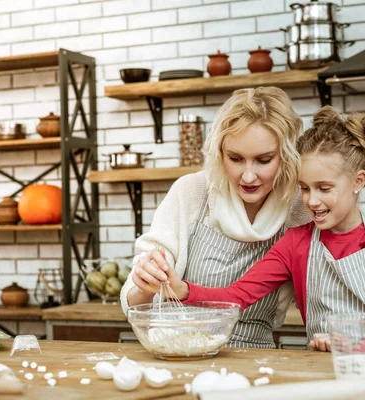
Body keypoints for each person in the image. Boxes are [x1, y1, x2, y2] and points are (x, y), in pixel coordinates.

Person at [159, 105, 365, 351]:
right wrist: (183, 290)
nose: (312, 200)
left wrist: (356, 348)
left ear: (358, 180)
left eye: (324, 188)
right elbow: (236, 295)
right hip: (321, 369)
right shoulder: (296, 242)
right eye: (304, 188)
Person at [120, 87, 312, 348]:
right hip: (180, 349)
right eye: (235, 158)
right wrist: (146, 284)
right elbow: (133, 303)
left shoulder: (299, 207)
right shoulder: (193, 192)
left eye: (263, 160)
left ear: (286, 156)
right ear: (220, 153)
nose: (248, 176)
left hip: (255, 357)